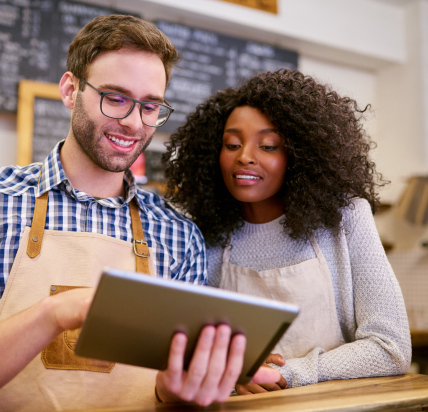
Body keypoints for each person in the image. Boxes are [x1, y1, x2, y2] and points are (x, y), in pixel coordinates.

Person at [0, 15, 280, 411]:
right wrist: (56, 314)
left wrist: (179, 391)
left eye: (150, 106)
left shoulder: (178, 236)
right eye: (115, 98)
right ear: (70, 90)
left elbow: (173, 394)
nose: (132, 122)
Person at [164, 69, 412, 394]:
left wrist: (289, 374)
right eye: (232, 144)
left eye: (268, 146)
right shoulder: (206, 235)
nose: (245, 157)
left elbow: (391, 348)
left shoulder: (346, 218)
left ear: (299, 155)